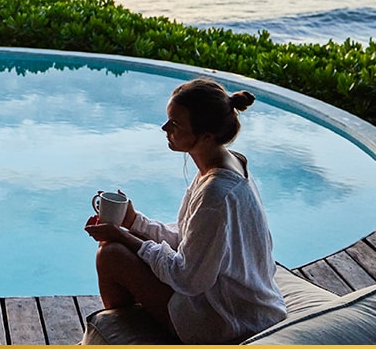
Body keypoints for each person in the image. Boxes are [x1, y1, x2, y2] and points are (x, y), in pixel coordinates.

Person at [83, 77, 286, 344]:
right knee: (123, 245)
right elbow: (190, 240)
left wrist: (123, 237)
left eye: (175, 124)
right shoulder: (227, 163)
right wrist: (134, 222)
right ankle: (131, 328)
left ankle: (123, 336)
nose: (164, 127)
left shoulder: (216, 192)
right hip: (244, 304)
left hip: (229, 321)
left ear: (206, 136)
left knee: (110, 253)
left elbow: (188, 278)